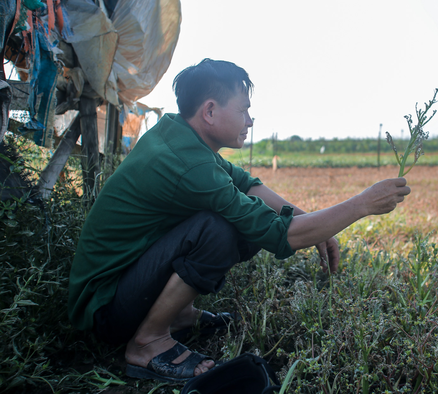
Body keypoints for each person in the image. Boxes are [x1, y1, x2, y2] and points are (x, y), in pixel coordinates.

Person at [67, 59, 411, 382]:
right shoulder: (190, 165)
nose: (249, 120)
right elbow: (279, 235)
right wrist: (362, 205)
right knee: (221, 228)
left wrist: (310, 219)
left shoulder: (178, 134)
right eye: (244, 109)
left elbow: (247, 184)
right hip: (104, 308)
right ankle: (147, 342)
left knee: (233, 217)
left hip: (120, 286)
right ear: (211, 111)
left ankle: (180, 316)